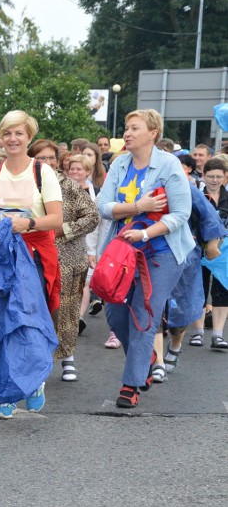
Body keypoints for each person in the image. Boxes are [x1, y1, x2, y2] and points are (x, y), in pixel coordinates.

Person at [0, 110, 63, 419]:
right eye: (7, 133)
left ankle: (34, 382)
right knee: (3, 323)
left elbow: (56, 219)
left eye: (18, 133)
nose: (12, 138)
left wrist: (28, 224)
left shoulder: (42, 172)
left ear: (29, 138)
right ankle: (9, 394)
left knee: (29, 321)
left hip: (35, 254)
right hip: (0, 256)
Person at [96, 109, 192, 409]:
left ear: (152, 133)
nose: (127, 133)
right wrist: (139, 206)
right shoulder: (119, 163)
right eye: (126, 128)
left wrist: (146, 233)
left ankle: (131, 384)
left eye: (134, 128)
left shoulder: (169, 165)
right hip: (123, 252)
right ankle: (146, 357)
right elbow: (103, 205)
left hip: (162, 253)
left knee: (143, 314)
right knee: (115, 313)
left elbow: (180, 214)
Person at [47, 153, 99, 380]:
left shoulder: (69, 187)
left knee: (64, 309)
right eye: (39, 157)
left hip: (67, 259)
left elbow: (92, 217)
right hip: (32, 257)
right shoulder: (25, 186)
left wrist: (64, 230)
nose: (45, 162)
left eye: (49, 158)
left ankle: (67, 357)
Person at [185, 158, 228, 350]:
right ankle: (197, 332)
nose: (215, 180)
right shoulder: (196, 196)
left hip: (225, 252)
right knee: (199, 289)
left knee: (222, 292)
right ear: (203, 176)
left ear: (225, 177)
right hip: (198, 248)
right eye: (211, 176)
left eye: (219, 176)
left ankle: (218, 335)